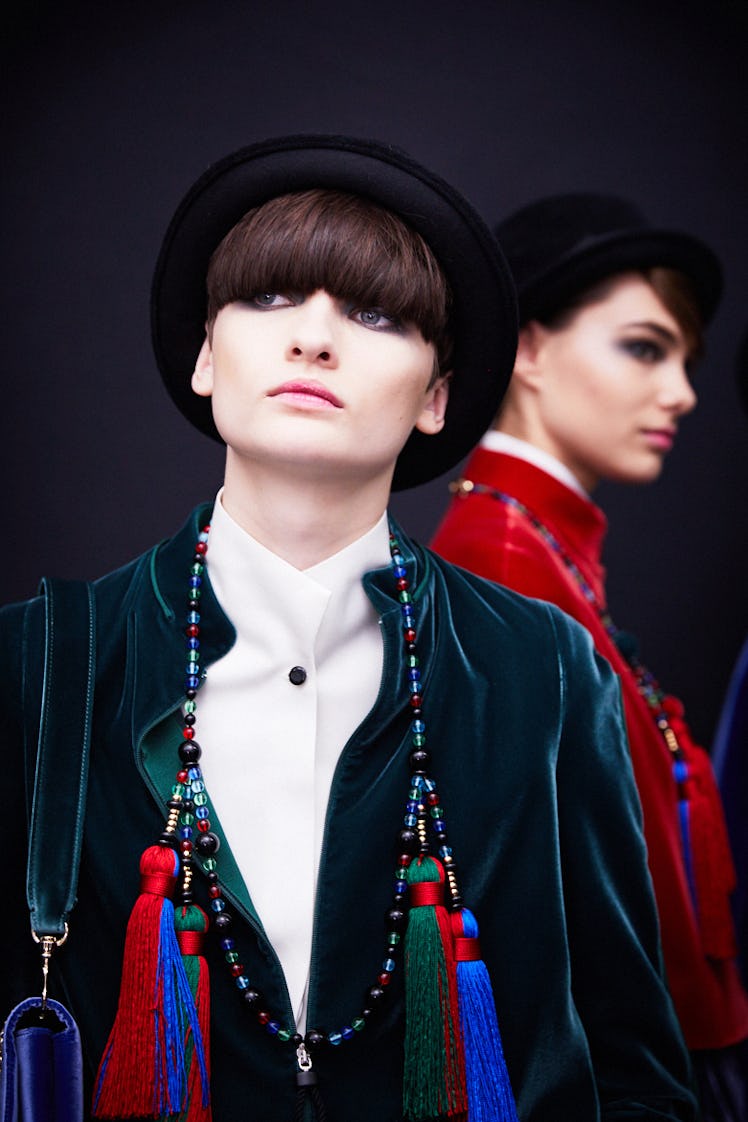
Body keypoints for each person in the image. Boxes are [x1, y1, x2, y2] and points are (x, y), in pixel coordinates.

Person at [1, 140, 697, 1122]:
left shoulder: (543, 668)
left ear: (439, 397)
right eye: (270, 297)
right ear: (206, 355)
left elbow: (634, 1066)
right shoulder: (35, 662)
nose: (314, 339)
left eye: (376, 313)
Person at [431, 191, 748, 1121]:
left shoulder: (544, 546)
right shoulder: (502, 559)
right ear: (527, 349)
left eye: (684, 358)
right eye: (645, 348)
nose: (683, 391)